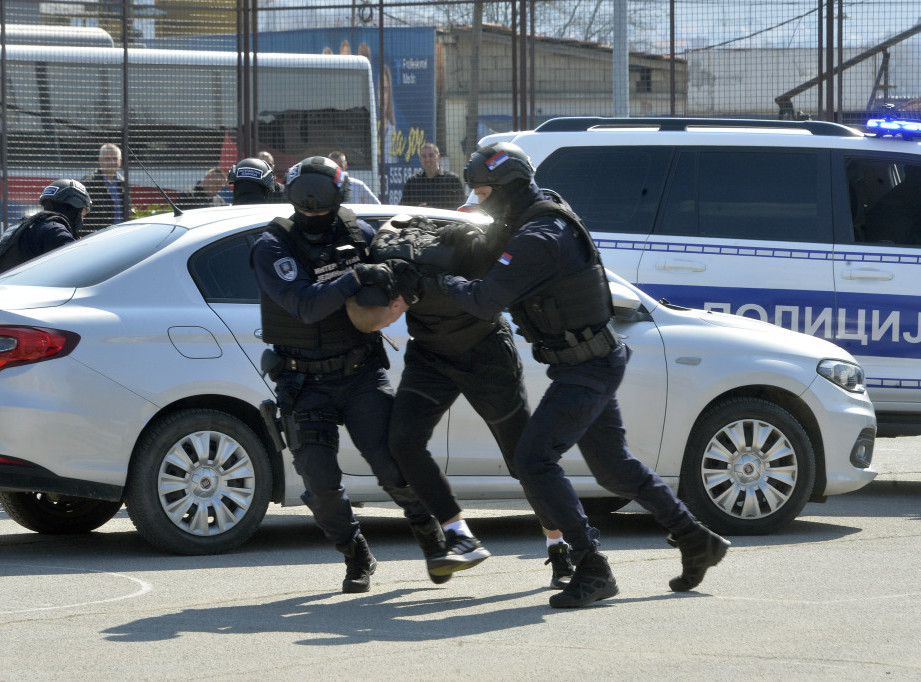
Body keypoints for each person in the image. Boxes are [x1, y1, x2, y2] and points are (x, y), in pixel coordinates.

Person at [433, 142, 731, 608]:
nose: (478, 198)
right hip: (587, 362)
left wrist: (440, 280)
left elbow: (486, 299)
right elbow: (496, 248)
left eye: (483, 190)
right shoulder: (537, 213)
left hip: (587, 367)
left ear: (506, 189)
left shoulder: (540, 236)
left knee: (533, 460)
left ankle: (591, 566)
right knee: (614, 468)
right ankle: (696, 539)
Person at [249, 156, 447, 593]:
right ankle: (354, 551)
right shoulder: (272, 246)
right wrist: (355, 276)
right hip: (303, 382)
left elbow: (396, 279)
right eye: (309, 200)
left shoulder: (360, 234)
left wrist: (397, 278)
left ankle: (431, 536)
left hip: (360, 373)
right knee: (320, 486)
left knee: (392, 467)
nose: (315, 207)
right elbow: (305, 305)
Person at [368, 214, 573, 588]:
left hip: (486, 355)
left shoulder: (470, 253)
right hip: (431, 355)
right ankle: (459, 534)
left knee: (523, 461)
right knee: (403, 441)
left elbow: (508, 284)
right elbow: (389, 234)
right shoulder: (386, 257)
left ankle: (560, 544)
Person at [0, 179, 92, 273]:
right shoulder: (55, 232)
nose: (82, 220)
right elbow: (76, 271)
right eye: (82, 215)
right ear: (74, 207)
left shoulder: (23, 226)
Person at [399, 142, 466, 210]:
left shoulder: (452, 180)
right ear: (420, 159)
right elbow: (403, 209)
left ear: (438, 157)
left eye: (431, 155)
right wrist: (417, 209)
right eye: (424, 156)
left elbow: (460, 209)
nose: (427, 159)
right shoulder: (413, 182)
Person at [80, 143, 127, 234]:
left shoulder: (123, 183)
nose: (112, 162)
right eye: (108, 159)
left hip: (121, 234)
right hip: (98, 236)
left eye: (115, 159)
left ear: (120, 161)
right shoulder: (89, 183)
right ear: (100, 160)